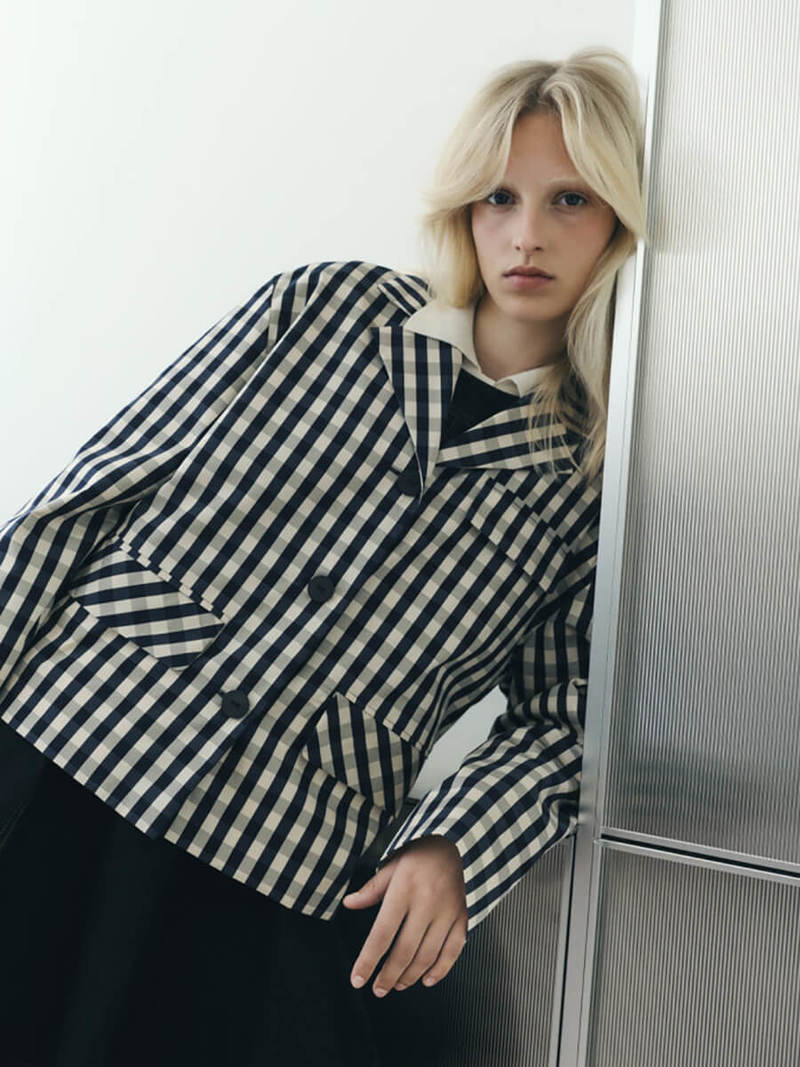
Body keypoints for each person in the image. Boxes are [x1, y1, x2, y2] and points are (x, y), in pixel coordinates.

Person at [0, 45, 645, 1067]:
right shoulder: (323, 308)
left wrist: (454, 842)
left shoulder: (595, 474)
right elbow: (90, 496)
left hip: (276, 847)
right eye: (499, 197)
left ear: (618, 218)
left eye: (569, 199)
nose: (526, 234)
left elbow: (563, 719)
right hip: (72, 741)